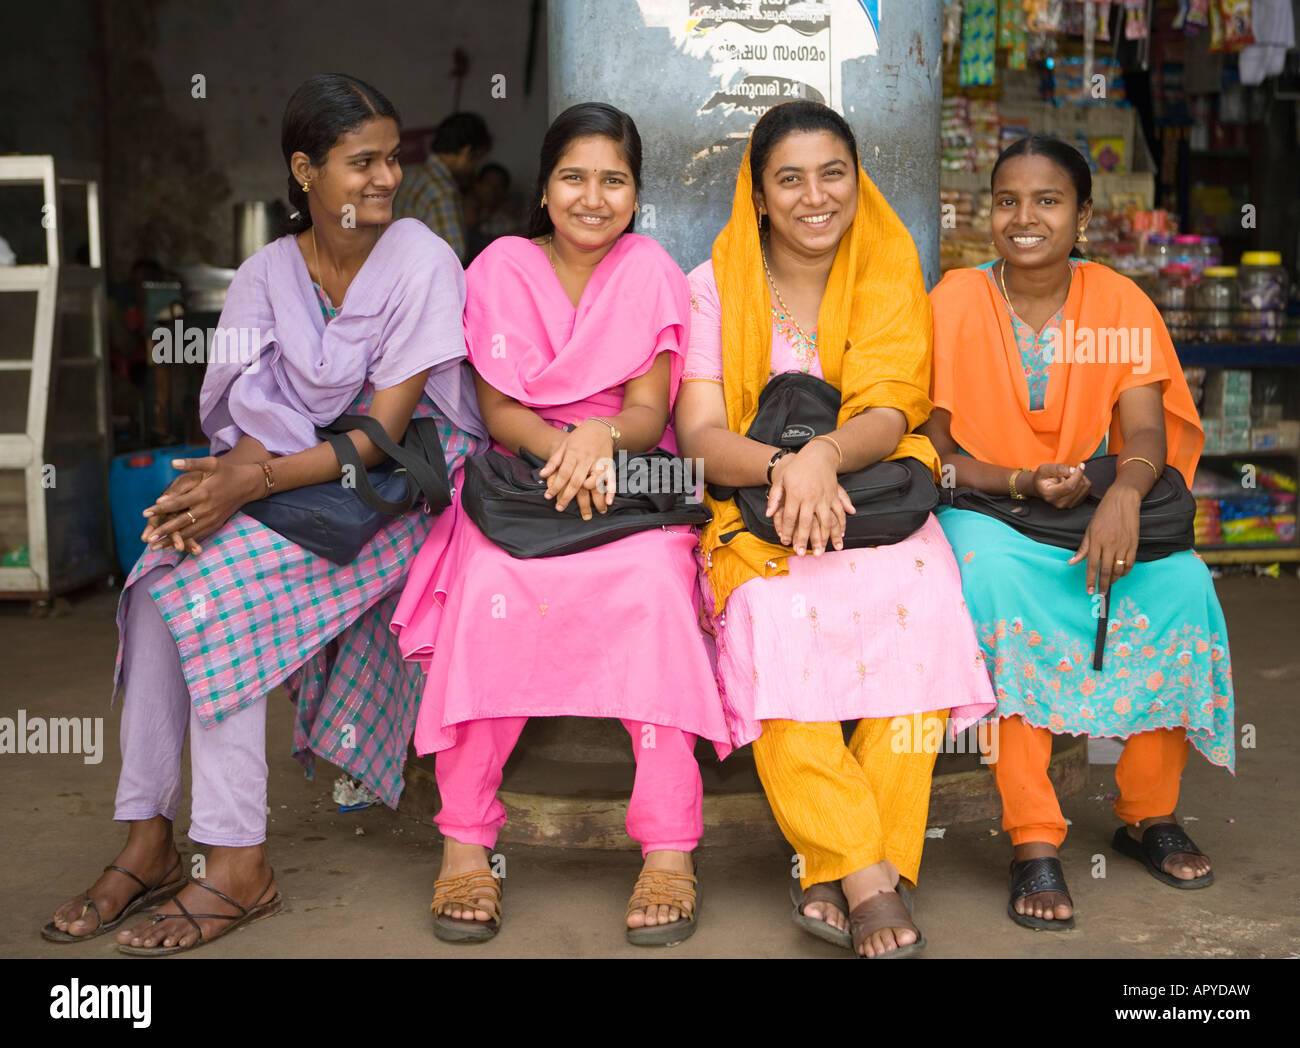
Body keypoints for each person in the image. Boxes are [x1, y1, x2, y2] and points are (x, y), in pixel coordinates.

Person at [42, 74, 486, 954]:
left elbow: (380, 437)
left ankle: (238, 862)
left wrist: (247, 487)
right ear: (305, 171)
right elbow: (251, 424)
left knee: (220, 594)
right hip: (292, 482)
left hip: (403, 493)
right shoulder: (262, 277)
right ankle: (150, 838)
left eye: (392, 158)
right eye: (361, 161)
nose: (386, 179)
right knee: (159, 573)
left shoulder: (423, 261)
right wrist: (210, 491)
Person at [392, 102, 730, 947]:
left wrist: (598, 438)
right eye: (574, 177)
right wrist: (564, 451)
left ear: (636, 193)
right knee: (487, 590)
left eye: (613, 179)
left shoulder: (650, 267)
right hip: (521, 481)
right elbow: (499, 408)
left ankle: (667, 846)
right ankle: (466, 843)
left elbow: (650, 410)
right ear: (544, 186)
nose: (593, 196)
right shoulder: (501, 266)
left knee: (656, 588)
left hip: (626, 485)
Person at [673, 101, 996, 958]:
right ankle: (871, 874)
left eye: (833, 174)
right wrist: (786, 469)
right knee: (775, 623)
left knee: (923, 598)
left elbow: (892, 410)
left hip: (877, 496)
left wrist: (821, 454)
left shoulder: (888, 261)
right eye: (791, 178)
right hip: (755, 509)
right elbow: (701, 438)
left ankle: (837, 868)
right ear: (759, 192)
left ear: (857, 178)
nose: (816, 197)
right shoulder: (716, 283)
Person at [922, 134, 1233, 932]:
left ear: (1084, 214)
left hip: (1094, 501)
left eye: (1048, 200)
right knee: (993, 585)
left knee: (1180, 586)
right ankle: (1033, 836)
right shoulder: (954, 299)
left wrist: (1126, 493)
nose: (1024, 218)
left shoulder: (1120, 303)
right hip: (987, 509)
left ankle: (1147, 813)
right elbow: (938, 454)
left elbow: (1144, 432)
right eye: (1007, 200)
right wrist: (1022, 479)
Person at [392, 111, 492, 262]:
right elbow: (454, 254)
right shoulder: (443, 190)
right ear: (467, 152)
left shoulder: (410, 175)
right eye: (476, 159)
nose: (474, 168)